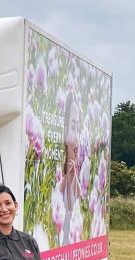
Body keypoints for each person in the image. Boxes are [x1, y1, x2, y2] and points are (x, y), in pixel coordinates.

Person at [59, 92, 80, 246]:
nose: (77, 139)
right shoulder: (59, 184)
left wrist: (72, 180)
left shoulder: (74, 180)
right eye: (73, 127)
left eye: (78, 129)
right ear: (65, 131)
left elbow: (74, 211)